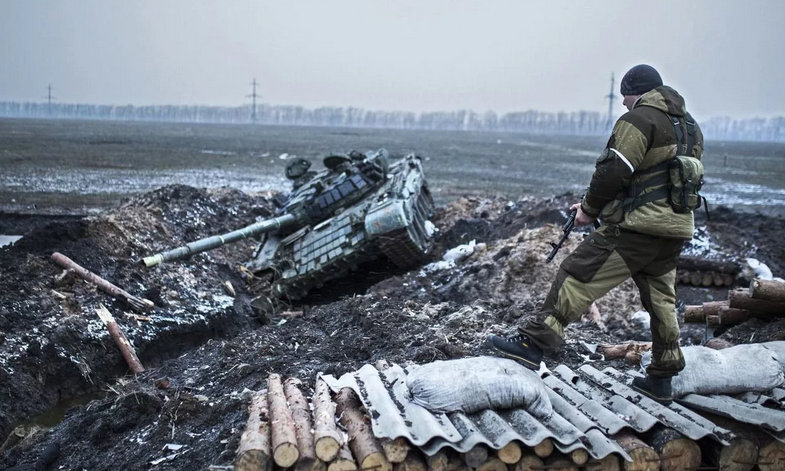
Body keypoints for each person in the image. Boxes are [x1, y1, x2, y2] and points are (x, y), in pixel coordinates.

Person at [488, 64, 704, 404]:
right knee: (662, 300)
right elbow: (661, 179)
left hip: (637, 229)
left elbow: (614, 169)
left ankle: (533, 344)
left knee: (577, 274)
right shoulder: (691, 128)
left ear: (638, 92)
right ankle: (663, 375)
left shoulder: (638, 120)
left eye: (624, 96)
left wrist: (589, 209)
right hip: (675, 230)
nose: (622, 103)